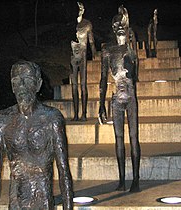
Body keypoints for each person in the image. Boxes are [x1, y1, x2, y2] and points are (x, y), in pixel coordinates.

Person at [0, 61, 73, 209]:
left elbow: (63, 170)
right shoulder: (2, 120)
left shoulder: (52, 118)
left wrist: (68, 207)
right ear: (12, 86)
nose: (22, 86)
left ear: (38, 84)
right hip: (16, 201)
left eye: (28, 80)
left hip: (43, 201)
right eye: (16, 81)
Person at [98, 11, 141, 192]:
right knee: (118, 139)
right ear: (113, 28)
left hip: (130, 97)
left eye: (123, 24)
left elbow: (134, 75)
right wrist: (100, 104)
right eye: (117, 25)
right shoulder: (107, 51)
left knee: (133, 138)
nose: (120, 27)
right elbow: (102, 79)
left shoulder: (131, 50)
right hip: (116, 98)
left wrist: (129, 46)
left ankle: (136, 179)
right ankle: (122, 180)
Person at [70, 2, 96, 121]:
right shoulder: (73, 25)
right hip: (73, 55)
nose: (79, 11)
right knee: (74, 86)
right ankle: (75, 114)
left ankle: (84, 113)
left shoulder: (87, 24)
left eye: (81, 9)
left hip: (83, 54)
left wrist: (94, 52)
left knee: (83, 85)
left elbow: (91, 40)